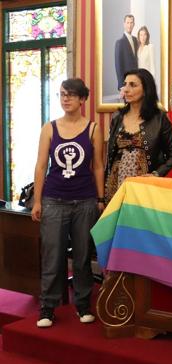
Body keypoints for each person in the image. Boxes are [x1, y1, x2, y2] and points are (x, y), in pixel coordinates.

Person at [31, 78, 105, 328]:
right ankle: (47, 307)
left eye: (71, 95)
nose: (66, 99)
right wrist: (37, 201)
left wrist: (100, 198)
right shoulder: (49, 128)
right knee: (53, 256)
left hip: (85, 201)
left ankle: (83, 305)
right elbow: (41, 166)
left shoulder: (94, 128)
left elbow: (97, 166)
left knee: (83, 256)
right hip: (53, 200)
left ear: (82, 100)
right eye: (63, 94)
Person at [105, 68, 172, 203]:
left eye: (133, 85)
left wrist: (156, 174)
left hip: (145, 189)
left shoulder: (159, 118)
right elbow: (110, 155)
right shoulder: (117, 117)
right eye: (125, 84)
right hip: (115, 185)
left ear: (146, 90)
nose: (126, 89)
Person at [114, 14, 138, 90]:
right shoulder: (120, 42)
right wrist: (122, 86)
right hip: (126, 84)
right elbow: (118, 65)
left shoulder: (135, 40)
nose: (129, 25)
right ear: (124, 24)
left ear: (134, 24)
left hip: (136, 81)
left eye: (131, 23)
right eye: (127, 23)